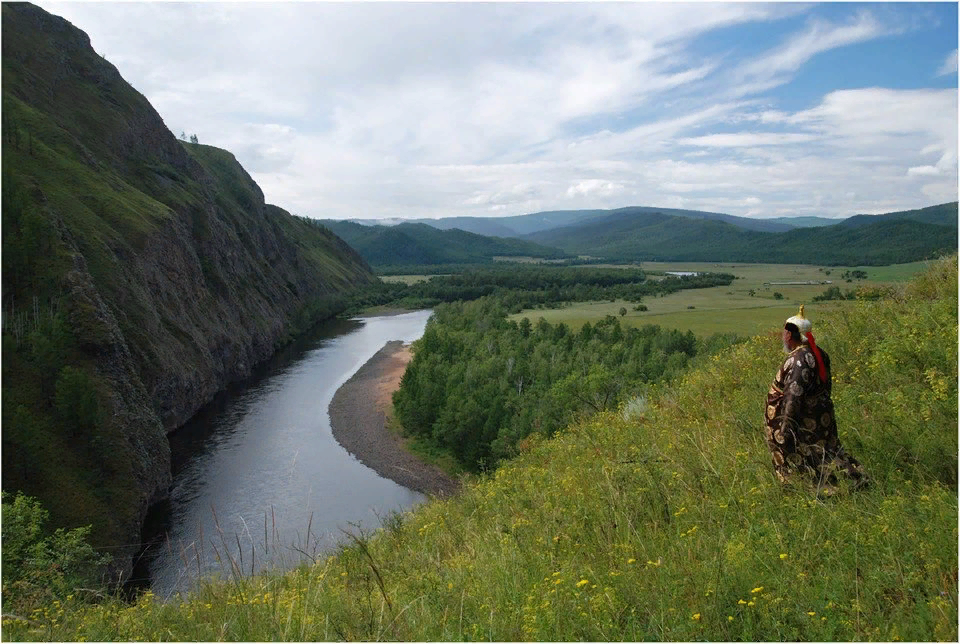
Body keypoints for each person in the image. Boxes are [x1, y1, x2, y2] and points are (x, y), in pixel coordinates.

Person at [764, 305, 867, 494]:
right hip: (820, 413)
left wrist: (786, 428)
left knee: (804, 451)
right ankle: (851, 479)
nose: (783, 336)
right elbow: (826, 386)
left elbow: (793, 396)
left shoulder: (798, 360)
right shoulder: (818, 352)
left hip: (804, 417)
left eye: (785, 332)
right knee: (826, 449)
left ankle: (805, 489)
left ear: (790, 335)